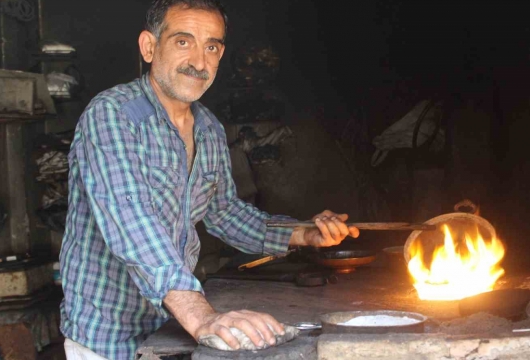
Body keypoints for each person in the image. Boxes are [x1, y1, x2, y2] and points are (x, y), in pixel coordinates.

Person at [58, 1, 360, 359]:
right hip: (106, 336)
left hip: (169, 329)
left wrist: (302, 233)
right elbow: (130, 219)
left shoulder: (209, 129)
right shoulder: (112, 115)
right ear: (149, 47)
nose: (199, 62)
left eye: (211, 47)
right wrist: (200, 315)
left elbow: (224, 212)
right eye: (183, 42)